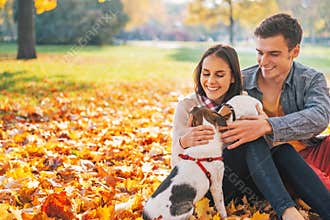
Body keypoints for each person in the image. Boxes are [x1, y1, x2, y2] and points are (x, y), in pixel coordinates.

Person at [171, 43, 330, 220]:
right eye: (206, 73)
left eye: (220, 75)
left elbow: (265, 152)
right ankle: (286, 211)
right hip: (207, 187)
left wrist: (263, 124)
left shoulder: (243, 101)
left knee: (283, 150)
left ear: (233, 78)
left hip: (247, 184)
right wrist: (182, 142)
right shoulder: (188, 106)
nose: (210, 81)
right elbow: (175, 166)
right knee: (250, 139)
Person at [219, 13, 330, 218]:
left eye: (274, 54)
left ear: (294, 51)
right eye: (260, 52)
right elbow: (209, 106)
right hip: (268, 166)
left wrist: (268, 125)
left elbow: (320, 115)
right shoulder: (241, 81)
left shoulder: (310, 79)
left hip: (308, 152)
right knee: (302, 172)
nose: (264, 61)